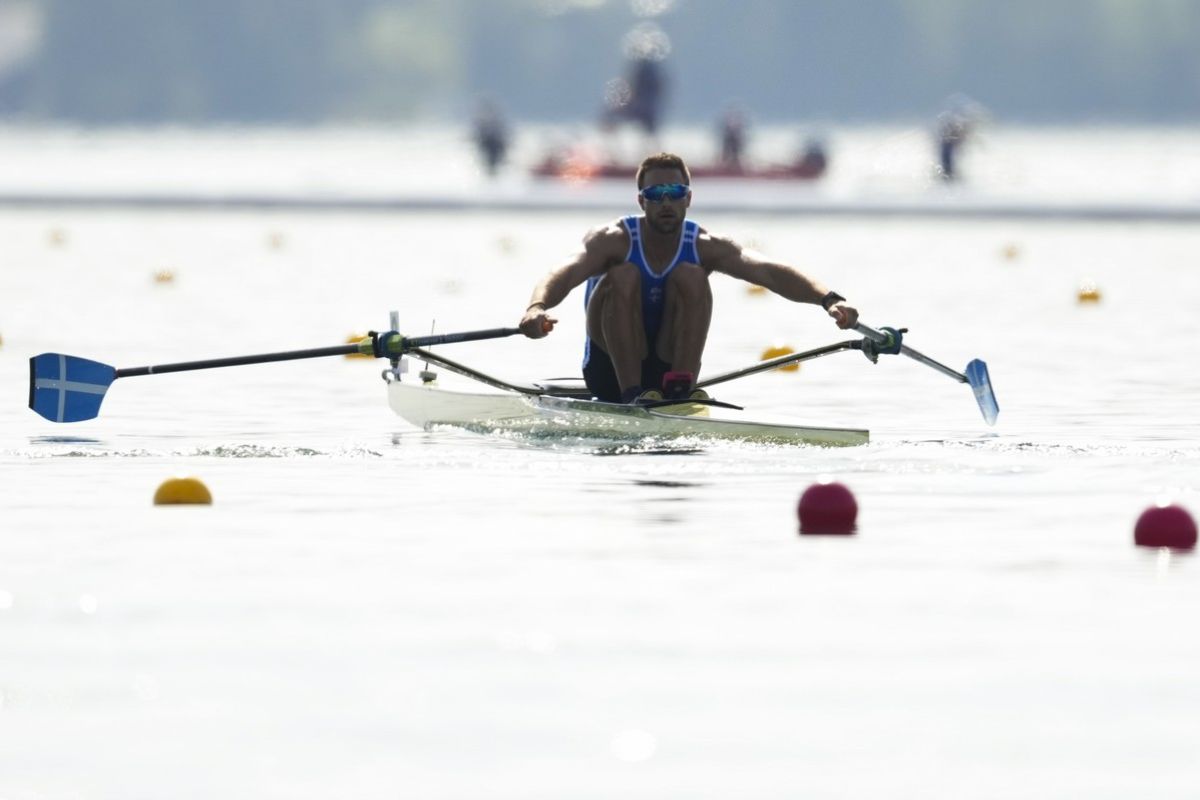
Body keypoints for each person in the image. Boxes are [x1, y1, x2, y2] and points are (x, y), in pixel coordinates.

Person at [518, 152, 859, 404]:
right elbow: (563, 272)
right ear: (641, 201)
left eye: (675, 193)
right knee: (623, 275)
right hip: (608, 373)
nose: (666, 202)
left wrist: (831, 300)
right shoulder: (613, 240)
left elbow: (769, 272)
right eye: (655, 195)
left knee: (691, 276)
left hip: (666, 364)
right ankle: (632, 393)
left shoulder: (704, 246)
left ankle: (679, 388)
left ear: (689, 198)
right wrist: (536, 308)